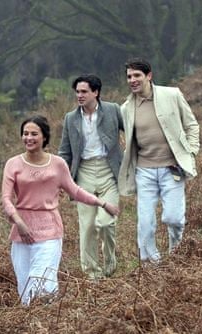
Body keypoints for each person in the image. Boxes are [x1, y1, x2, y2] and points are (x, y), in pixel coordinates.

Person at [1, 115, 120, 306]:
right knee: (24, 287)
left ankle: (50, 321)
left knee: (41, 282)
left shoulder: (57, 164)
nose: (28, 138)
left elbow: (75, 190)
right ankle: (34, 329)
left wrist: (102, 203)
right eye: (25, 134)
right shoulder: (13, 164)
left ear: (44, 137)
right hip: (21, 232)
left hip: (49, 230)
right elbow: (6, 199)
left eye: (34, 134)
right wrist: (18, 221)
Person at [118, 58, 200, 263]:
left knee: (173, 218)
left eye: (137, 75)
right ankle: (150, 266)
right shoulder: (126, 108)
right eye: (129, 76)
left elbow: (192, 126)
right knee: (145, 224)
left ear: (149, 76)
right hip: (144, 171)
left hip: (172, 168)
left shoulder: (172, 95)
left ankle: (176, 254)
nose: (132, 80)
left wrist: (191, 153)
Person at [58, 74, 124, 280]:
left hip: (109, 170)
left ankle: (110, 257)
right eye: (77, 92)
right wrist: (59, 177)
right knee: (86, 226)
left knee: (104, 223)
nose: (80, 95)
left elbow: (131, 131)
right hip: (84, 172)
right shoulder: (71, 118)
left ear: (96, 92)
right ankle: (92, 275)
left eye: (84, 91)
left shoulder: (113, 109)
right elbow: (64, 151)